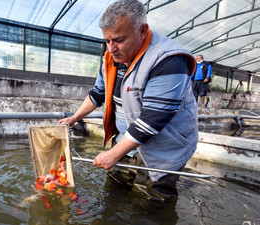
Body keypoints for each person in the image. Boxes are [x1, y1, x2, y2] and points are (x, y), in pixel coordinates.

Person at [58, 0, 198, 202]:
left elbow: (153, 119)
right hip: (125, 137)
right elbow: (98, 93)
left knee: (154, 200)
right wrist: (74, 118)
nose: (111, 48)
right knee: (115, 191)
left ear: (142, 31)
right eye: (107, 41)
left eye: (119, 40)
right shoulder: (111, 58)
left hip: (163, 146)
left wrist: (113, 154)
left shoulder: (170, 60)